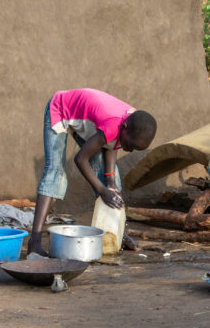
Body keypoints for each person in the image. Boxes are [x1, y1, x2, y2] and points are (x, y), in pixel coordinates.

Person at [28, 88, 157, 256]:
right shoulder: (115, 124)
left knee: (114, 183)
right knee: (55, 173)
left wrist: (110, 182)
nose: (130, 150)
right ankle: (34, 241)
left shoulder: (130, 122)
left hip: (89, 122)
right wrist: (102, 190)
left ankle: (118, 234)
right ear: (124, 127)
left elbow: (113, 145)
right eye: (131, 145)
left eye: (134, 149)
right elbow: (80, 159)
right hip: (61, 110)